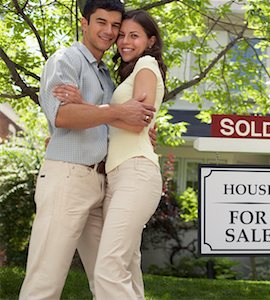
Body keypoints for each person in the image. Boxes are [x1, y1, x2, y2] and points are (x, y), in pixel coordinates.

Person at [19, 1, 156, 299]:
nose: (109, 31)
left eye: (115, 26)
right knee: (45, 279)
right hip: (68, 178)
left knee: (111, 275)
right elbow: (63, 116)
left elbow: (107, 122)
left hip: (102, 184)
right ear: (84, 23)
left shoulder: (106, 75)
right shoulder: (66, 60)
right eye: (101, 22)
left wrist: (134, 126)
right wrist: (116, 111)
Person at [53, 9, 166, 299]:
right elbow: (124, 121)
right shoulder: (127, 75)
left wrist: (86, 107)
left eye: (134, 36)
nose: (124, 41)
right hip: (118, 176)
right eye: (122, 35)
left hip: (136, 173)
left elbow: (138, 118)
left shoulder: (147, 64)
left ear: (151, 40)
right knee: (126, 266)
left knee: (108, 268)